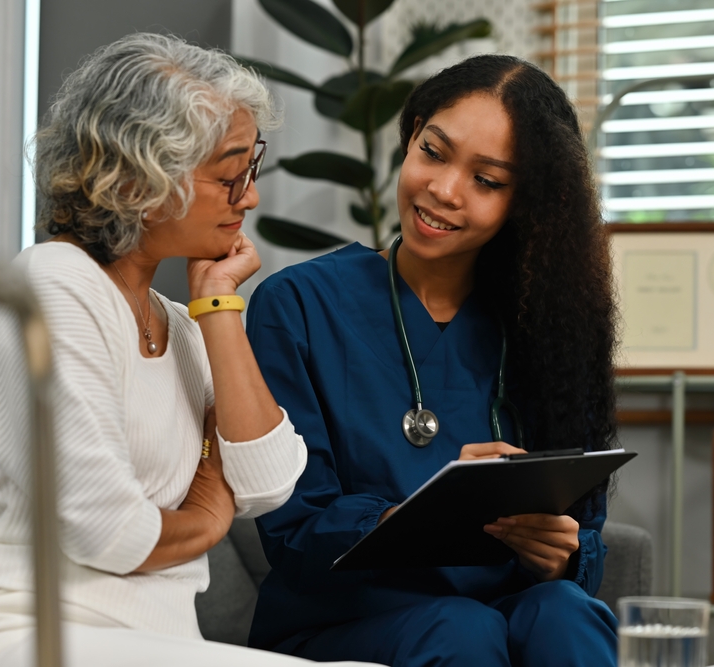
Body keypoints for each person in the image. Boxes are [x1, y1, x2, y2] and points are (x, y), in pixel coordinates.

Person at [0, 34, 376, 667]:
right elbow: (113, 531)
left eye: (251, 169)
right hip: (14, 629)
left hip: (149, 643)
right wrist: (210, 515)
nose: (252, 197)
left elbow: (270, 481)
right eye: (230, 174)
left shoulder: (182, 326)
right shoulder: (49, 285)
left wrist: (219, 309)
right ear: (136, 180)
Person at [245, 54, 620, 667]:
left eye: (488, 181)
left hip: (505, 616)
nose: (444, 190)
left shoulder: (547, 330)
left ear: (525, 203)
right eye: (434, 151)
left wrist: (566, 553)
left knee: (566, 612)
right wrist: (420, 512)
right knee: (459, 627)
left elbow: (585, 531)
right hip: (341, 621)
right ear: (412, 132)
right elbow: (290, 526)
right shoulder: (297, 306)